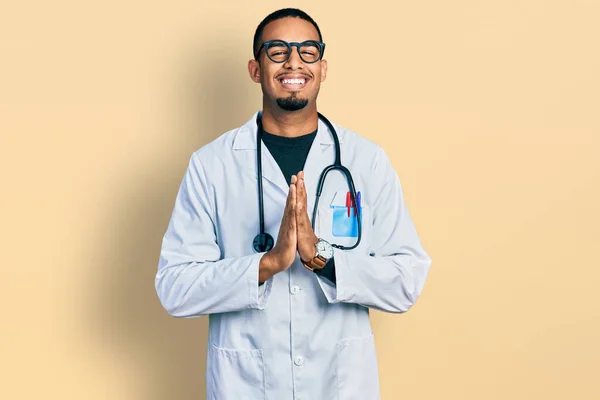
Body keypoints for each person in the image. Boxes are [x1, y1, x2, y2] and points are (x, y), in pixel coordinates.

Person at [155, 8, 432, 400]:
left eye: (308, 51)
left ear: (322, 67)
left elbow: (407, 281)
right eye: (278, 50)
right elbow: (175, 288)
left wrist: (322, 258)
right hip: (245, 385)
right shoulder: (212, 164)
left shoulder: (365, 160)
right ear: (255, 69)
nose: (294, 62)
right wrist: (266, 265)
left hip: (340, 385)